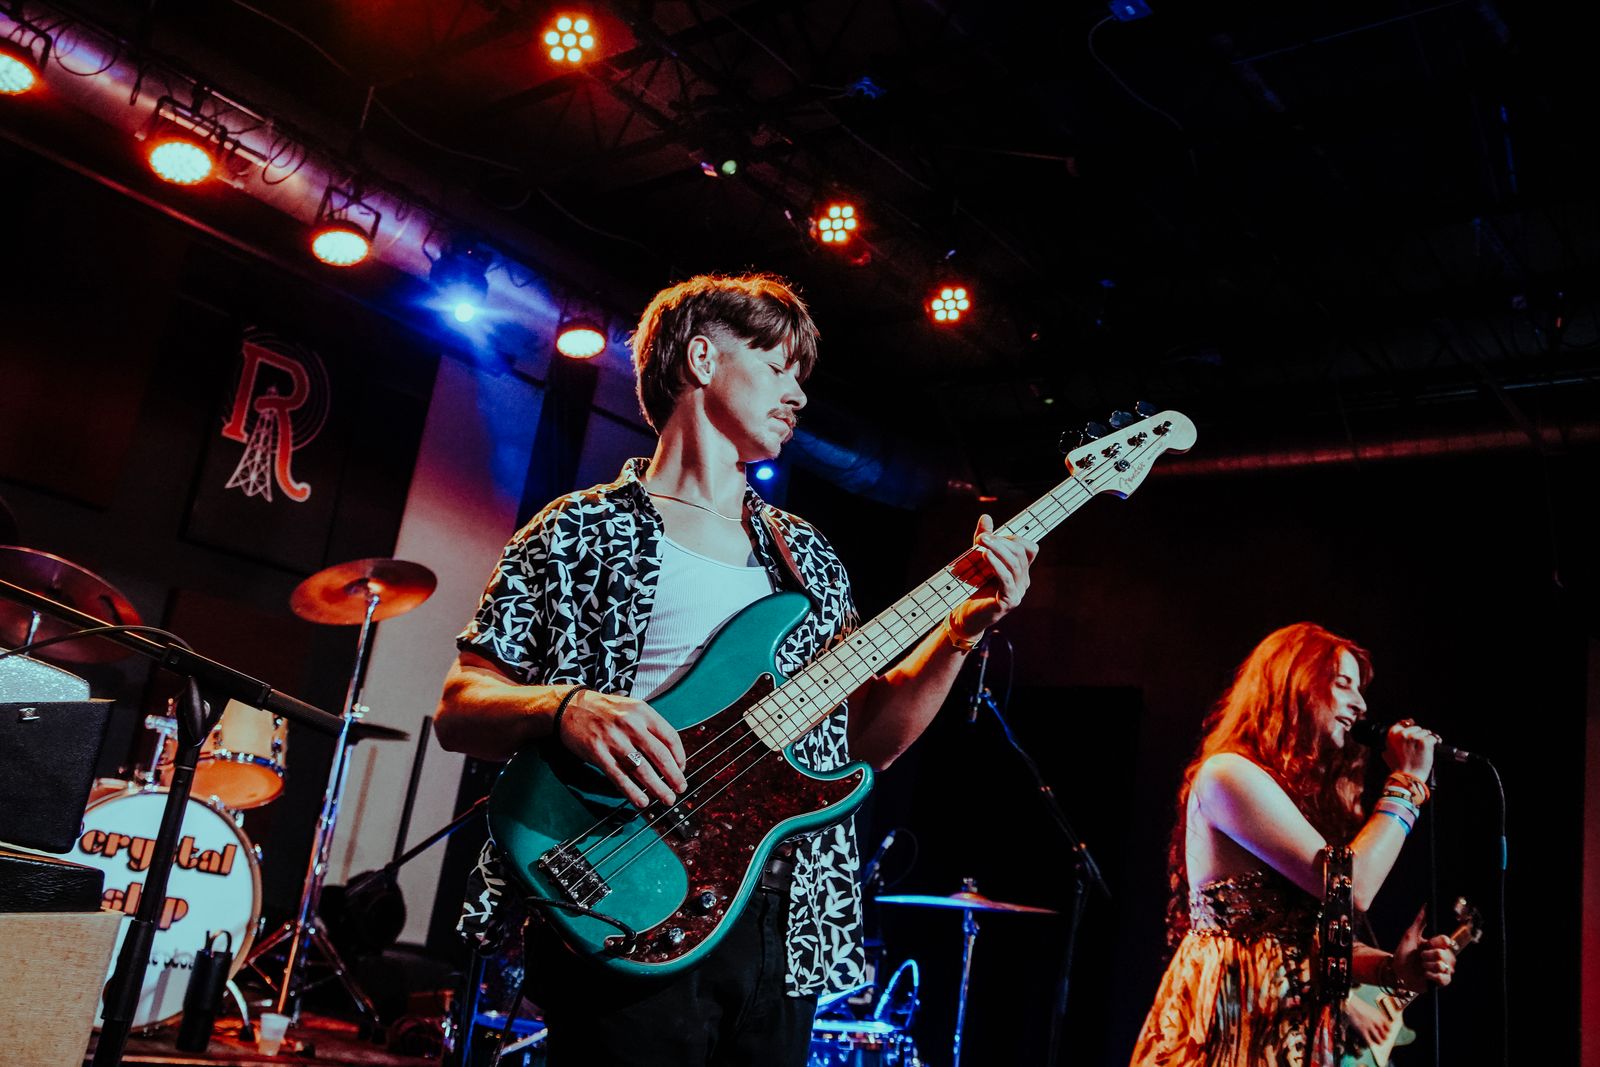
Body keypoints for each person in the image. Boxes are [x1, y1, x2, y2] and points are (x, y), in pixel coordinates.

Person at [434, 272, 1037, 1066]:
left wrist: (958, 632)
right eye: (779, 365)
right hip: (629, 892)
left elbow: (864, 742)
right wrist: (566, 707)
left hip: (784, 925)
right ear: (703, 357)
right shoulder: (579, 530)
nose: (799, 394)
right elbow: (460, 704)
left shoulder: (808, 558)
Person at [1130, 622, 1460, 1067]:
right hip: (1235, 1018)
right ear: (1294, 686)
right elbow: (1352, 885)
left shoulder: (1301, 799)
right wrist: (1407, 784)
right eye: (1342, 684)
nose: (1360, 704)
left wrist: (1393, 968)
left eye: (1359, 689)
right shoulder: (1228, 774)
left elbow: (1304, 940)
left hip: (1292, 1025)